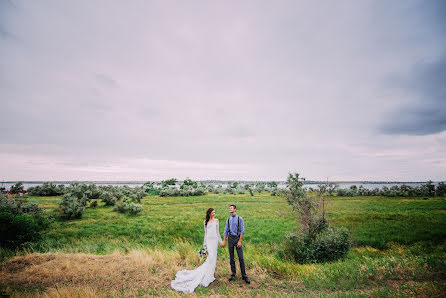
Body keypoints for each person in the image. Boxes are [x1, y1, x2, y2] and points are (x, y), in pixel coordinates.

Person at [171, 208, 223, 293]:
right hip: (209, 241)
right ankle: (206, 277)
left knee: (214, 259)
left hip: (215, 241)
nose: (214, 213)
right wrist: (204, 244)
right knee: (210, 259)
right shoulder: (205, 222)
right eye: (213, 212)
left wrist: (220, 241)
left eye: (214, 212)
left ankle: (211, 275)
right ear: (209, 213)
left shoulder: (217, 221)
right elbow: (205, 233)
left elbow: (217, 232)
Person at [220, 204, 250, 284]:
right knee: (231, 257)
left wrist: (239, 241)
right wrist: (224, 241)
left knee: (241, 258)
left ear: (235, 209)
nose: (230, 209)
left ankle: (244, 276)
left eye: (231, 208)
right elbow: (226, 230)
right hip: (230, 239)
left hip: (237, 238)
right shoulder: (228, 220)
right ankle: (233, 274)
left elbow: (242, 231)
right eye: (229, 208)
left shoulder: (240, 219)